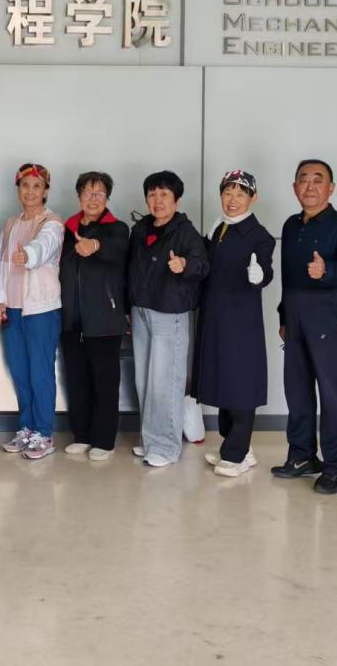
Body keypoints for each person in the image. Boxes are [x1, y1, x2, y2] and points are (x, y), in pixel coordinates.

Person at [272, 159, 337, 495]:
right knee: (296, 390)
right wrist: (284, 317)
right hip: (295, 313)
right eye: (303, 180)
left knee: (332, 391)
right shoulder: (291, 225)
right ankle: (302, 456)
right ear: (294, 187)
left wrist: (326, 272)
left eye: (317, 180)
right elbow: (287, 277)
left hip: (328, 310)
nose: (310, 186)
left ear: (331, 188)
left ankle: (336, 467)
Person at [191, 170, 275, 477]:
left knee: (241, 382)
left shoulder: (259, 236)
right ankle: (239, 446)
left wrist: (260, 275)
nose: (233, 200)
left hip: (241, 321)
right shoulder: (219, 227)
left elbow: (266, 269)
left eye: (240, 194)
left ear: (253, 198)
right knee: (222, 379)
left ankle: (236, 454)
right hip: (214, 316)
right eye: (228, 193)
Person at [126, 170, 208, 468]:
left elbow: (202, 266)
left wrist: (184, 264)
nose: (157, 200)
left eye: (164, 194)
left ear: (177, 200)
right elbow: (130, 269)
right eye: (152, 194)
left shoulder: (185, 231)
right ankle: (150, 440)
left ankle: (165, 447)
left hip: (170, 312)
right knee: (144, 381)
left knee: (166, 381)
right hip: (141, 311)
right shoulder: (141, 228)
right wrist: (127, 308)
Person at [0, 163, 64, 461]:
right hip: (11, 310)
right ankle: (26, 427)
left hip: (41, 309)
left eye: (37, 186)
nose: (31, 191)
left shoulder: (53, 222)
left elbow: (45, 246)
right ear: (18, 189)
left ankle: (44, 433)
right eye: (25, 185)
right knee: (20, 372)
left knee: (40, 373)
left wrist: (28, 255)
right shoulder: (10, 224)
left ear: (46, 191)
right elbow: (0, 265)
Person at [59, 172, 128, 461]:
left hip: (105, 320)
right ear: (79, 196)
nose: (93, 198)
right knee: (77, 380)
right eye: (88, 192)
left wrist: (94, 245)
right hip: (71, 320)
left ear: (107, 198)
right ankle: (82, 435)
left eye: (99, 193)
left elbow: (115, 249)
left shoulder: (117, 229)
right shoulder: (66, 229)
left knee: (105, 382)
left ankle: (104, 440)